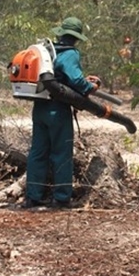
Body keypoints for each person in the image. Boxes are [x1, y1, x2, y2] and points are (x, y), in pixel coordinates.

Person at [23, 17, 100, 209]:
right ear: (76, 38)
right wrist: (91, 86)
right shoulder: (70, 53)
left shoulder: (47, 51)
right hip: (58, 109)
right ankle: (62, 197)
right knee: (61, 153)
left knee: (38, 152)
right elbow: (74, 79)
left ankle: (33, 196)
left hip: (39, 107)